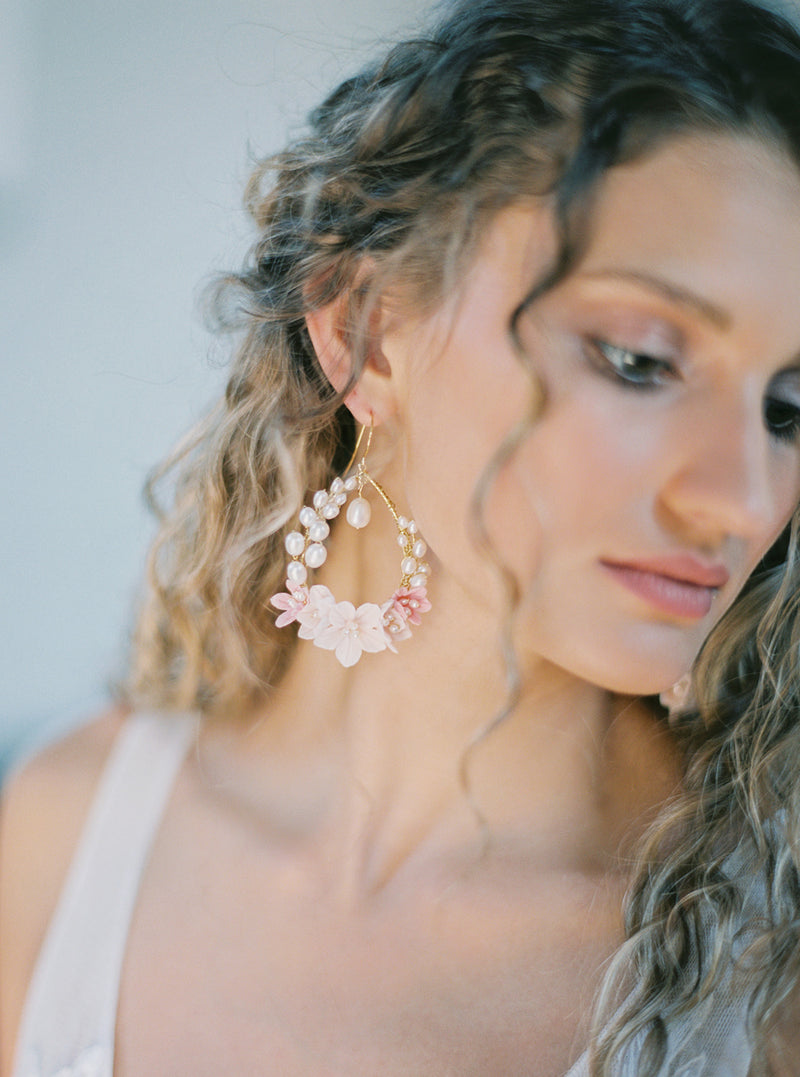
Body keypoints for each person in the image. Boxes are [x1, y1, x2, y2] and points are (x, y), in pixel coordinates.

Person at [3, 0, 800, 1073]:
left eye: (785, 407)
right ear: (368, 336)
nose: (741, 500)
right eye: (638, 360)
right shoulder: (59, 834)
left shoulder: (762, 970)